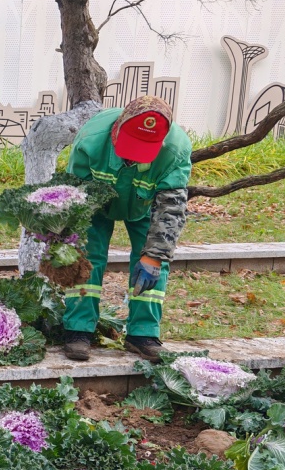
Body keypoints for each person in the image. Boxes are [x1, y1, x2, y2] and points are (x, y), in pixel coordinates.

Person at [62, 95, 192, 364]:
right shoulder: (91, 140)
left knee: (153, 264)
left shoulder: (176, 150)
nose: (132, 157)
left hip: (145, 205)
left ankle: (142, 335)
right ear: (117, 129)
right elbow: (74, 195)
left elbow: (171, 209)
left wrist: (154, 254)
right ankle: (78, 330)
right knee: (87, 256)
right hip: (94, 203)